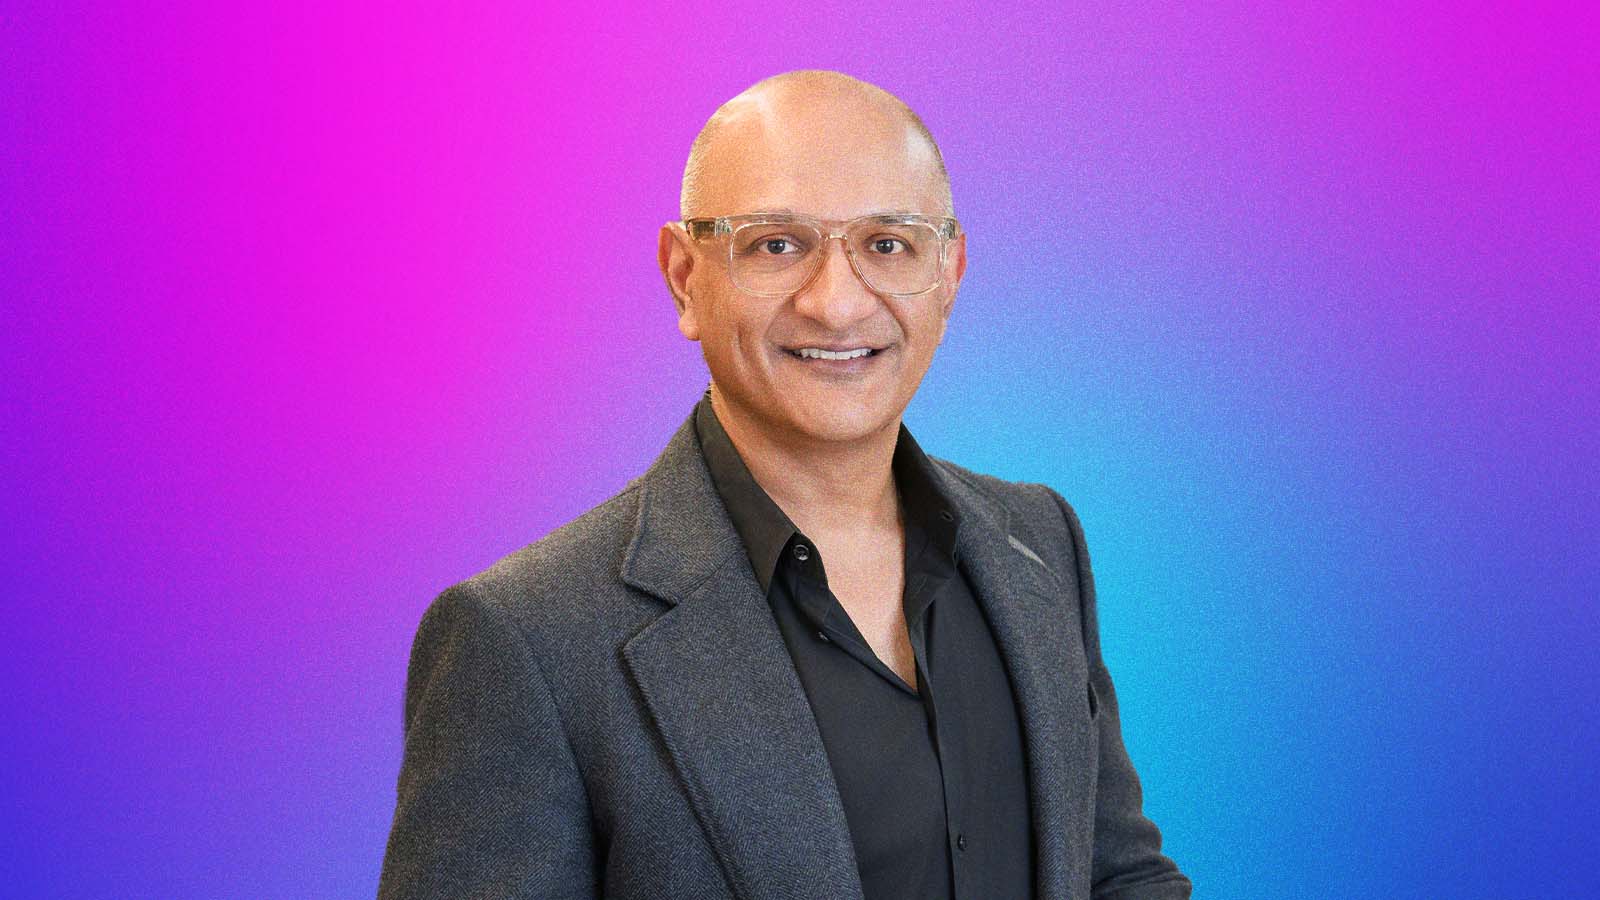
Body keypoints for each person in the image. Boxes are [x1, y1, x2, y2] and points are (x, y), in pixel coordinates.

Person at [379, 69, 1192, 900]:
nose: (836, 305)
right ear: (684, 277)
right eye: (776, 244)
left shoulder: (1039, 542)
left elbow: (1118, 876)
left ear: (949, 274)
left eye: (888, 244)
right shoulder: (526, 639)